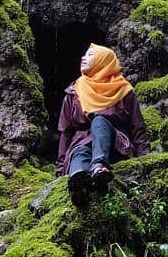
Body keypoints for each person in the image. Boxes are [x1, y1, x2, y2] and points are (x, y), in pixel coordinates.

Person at [56, 44, 150, 203]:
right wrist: (60, 169)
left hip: (116, 146)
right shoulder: (74, 92)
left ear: (103, 61)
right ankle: (79, 185)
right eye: (85, 55)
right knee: (79, 152)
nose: (83, 58)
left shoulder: (124, 91)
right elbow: (66, 132)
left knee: (99, 121)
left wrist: (145, 158)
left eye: (90, 55)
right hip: (82, 143)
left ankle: (99, 166)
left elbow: (137, 126)